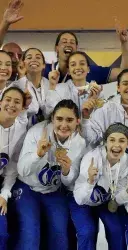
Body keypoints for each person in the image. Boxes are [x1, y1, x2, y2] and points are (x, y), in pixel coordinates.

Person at [9, 99, 86, 250]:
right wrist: (37, 155)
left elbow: (69, 182)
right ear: (52, 118)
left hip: (52, 191)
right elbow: (22, 170)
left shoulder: (80, 143)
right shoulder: (37, 132)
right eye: (59, 119)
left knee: (60, 236)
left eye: (69, 120)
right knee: (30, 236)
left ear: (77, 121)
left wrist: (66, 171)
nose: (64, 125)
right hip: (27, 187)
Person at [73, 123, 128, 250]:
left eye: (122, 141)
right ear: (105, 142)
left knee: (116, 230)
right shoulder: (91, 158)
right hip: (82, 202)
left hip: (105, 201)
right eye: (112, 140)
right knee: (87, 232)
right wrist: (90, 181)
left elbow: (117, 200)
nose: (117, 145)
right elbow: (79, 199)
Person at [43, 26, 128, 84]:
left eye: (72, 42)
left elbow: (125, 73)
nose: (68, 44)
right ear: (56, 48)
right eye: (64, 42)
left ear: (76, 48)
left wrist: (124, 43)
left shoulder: (88, 71)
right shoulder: (43, 70)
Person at [0, 87, 28, 250]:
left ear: (23, 108)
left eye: (17, 102)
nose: (11, 104)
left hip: (2, 181)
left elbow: (12, 166)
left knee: (2, 234)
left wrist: (4, 194)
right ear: (0, 102)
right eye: (8, 100)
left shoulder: (20, 130)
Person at [45, 51, 103, 116]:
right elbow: (49, 113)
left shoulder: (96, 92)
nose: (78, 68)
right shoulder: (59, 89)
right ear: (68, 71)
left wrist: (93, 102)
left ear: (88, 69)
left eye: (82, 63)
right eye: (73, 65)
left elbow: (101, 119)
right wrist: (52, 86)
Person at [12, 47, 50, 126]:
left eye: (38, 57)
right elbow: (31, 109)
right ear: (23, 63)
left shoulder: (51, 85)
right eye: (29, 57)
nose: (34, 60)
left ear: (44, 65)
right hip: (22, 133)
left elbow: (51, 111)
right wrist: (21, 76)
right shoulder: (15, 87)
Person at [0, 0, 23, 82]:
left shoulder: (28, 82)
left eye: (19, 56)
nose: (14, 59)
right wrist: (5, 23)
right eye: (10, 54)